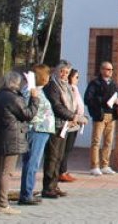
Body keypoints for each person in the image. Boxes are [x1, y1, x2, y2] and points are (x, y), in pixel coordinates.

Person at [0, 71, 39, 216]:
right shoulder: (12, 97)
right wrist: (34, 98)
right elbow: (28, 114)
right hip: (12, 137)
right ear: (16, 83)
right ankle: (3, 204)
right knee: (6, 172)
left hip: (0, 136)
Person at [19, 65, 54, 206]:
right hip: (36, 130)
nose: (49, 77)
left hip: (41, 130)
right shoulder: (30, 90)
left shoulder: (38, 90)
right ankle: (26, 195)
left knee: (33, 163)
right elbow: (29, 110)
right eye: (47, 74)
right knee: (32, 162)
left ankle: (27, 192)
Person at [42, 60, 78, 196]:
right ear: (57, 71)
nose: (64, 74)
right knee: (52, 156)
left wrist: (75, 117)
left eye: (67, 72)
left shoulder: (66, 86)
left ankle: (54, 185)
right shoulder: (52, 86)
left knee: (59, 156)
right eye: (62, 71)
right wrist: (72, 116)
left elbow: (71, 103)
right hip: (55, 125)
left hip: (65, 125)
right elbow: (56, 106)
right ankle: (48, 187)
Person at [84, 61, 118, 176]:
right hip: (100, 115)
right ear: (101, 70)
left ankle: (105, 165)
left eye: (111, 70)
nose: (110, 71)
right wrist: (103, 100)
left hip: (111, 115)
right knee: (96, 141)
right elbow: (88, 99)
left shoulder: (114, 84)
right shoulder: (95, 83)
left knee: (108, 142)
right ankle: (94, 166)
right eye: (107, 69)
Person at [58, 69, 88, 183]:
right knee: (64, 149)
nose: (78, 79)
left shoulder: (75, 89)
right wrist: (74, 117)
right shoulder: (68, 89)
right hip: (69, 122)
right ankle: (61, 171)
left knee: (69, 148)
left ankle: (64, 170)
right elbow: (70, 105)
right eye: (76, 77)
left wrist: (82, 117)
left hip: (76, 122)